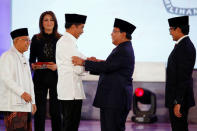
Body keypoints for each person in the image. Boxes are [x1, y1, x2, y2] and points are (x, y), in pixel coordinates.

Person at [72, 18, 136, 131]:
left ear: (124, 34)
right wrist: (97, 62)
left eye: (115, 31)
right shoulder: (122, 48)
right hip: (114, 100)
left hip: (115, 100)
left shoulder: (123, 50)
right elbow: (110, 67)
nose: (111, 34)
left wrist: (83, 62)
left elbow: (107, 67)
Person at [29, 11, 62, 131]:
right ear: (41, 23)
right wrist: (41, 66)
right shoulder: (36, 38)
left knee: (56, 111)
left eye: (51, 20)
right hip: (39, 79)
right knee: (40, 112)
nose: (49, 22)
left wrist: (57, 66)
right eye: (46, 20)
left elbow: (64, 61)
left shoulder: (61, 39)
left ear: (55, 22)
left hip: (56, 78)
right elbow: (32, 61)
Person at [0, 28, 37, 131]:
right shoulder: (7, 56)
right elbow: (5, 78)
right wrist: (22, 93)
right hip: (13, 106)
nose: (28, 43)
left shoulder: (24, 58)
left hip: (25, 106)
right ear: (16, 41)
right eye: (26, 40)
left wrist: (33, 102)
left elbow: (30, 82)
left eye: (29, 40)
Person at [56, 13, 87, 131]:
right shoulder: (65, 42)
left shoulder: (71, 42)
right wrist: (88, 64)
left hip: (74, 93)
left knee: (72, 126)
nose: (82, 31)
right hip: (69, 93)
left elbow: (80, 61)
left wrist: (87, 61)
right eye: (82, 27)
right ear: (73, 27)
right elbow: (76, 68)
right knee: (69, 127)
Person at [165, 16, 196, 131]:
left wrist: (178, 102)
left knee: (179, 128)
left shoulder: (185, 47)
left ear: (178, 29)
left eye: (171, 29)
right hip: (177, 99)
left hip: (179, 100)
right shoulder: (182, 45)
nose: (170, 33)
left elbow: (184, 77)